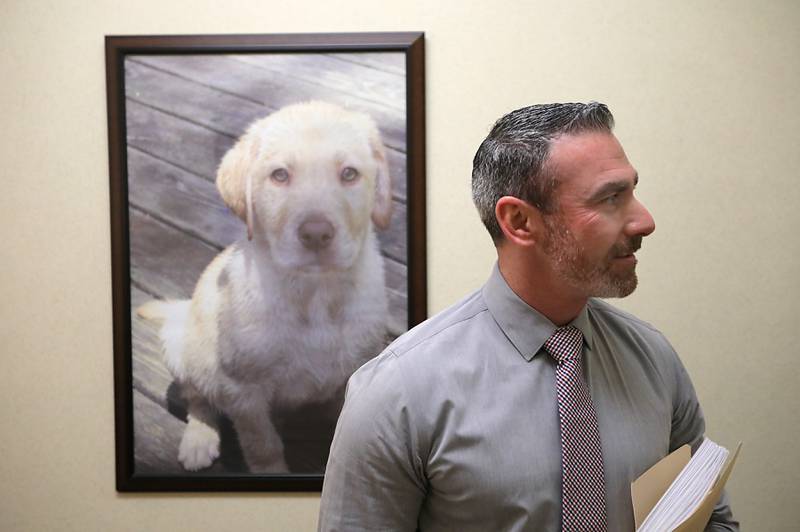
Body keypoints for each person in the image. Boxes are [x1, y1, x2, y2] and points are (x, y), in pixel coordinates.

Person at [317, 102, 738, 531]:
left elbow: (711, 520)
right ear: (519, 221)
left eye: (631, 190)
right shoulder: (399, 390)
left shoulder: (654, 360)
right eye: (611, 198)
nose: (644, 221)